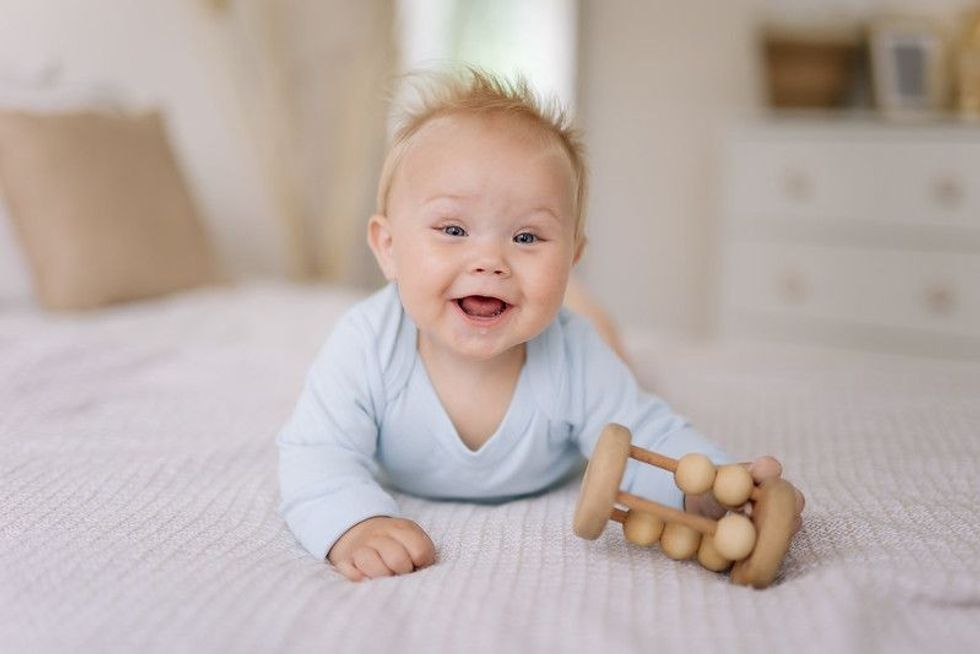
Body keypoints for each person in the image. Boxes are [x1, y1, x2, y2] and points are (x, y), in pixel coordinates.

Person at [277, 69, 802, 582]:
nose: (490, 260)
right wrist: (355, 522)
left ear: (573, 255)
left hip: (579, 335)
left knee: (613, 358)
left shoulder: (573, 353)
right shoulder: (366, 343)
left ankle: (587, 306)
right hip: (532, 316)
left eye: (527, 238)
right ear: (388, 248)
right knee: (585, 331)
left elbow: (646, 437)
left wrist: (709, 485)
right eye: (453, 229)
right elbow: (317, 452)